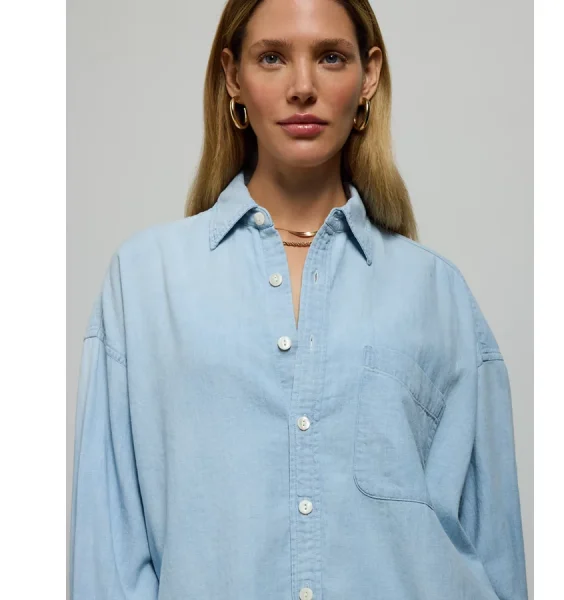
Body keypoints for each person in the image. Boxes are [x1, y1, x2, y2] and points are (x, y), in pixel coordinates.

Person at [69, 0, 529, 598]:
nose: (303, 87)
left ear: (368, 76)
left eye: (331, 57)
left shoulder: (438, 294)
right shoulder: (144, 283)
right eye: (272, 58)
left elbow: (494, 551)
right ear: (233, 76)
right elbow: (107, 552)